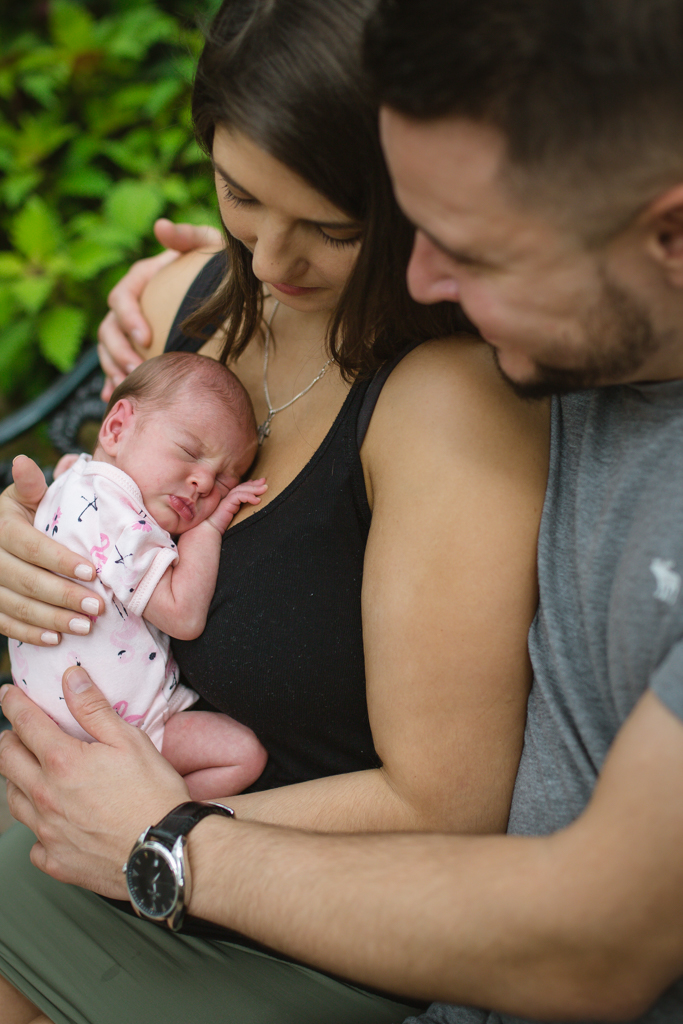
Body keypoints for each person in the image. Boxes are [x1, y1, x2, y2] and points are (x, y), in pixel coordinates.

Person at [0, 0, 549, 1022]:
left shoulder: (444, 404)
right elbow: (94, 495)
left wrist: (159, 825)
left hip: (300, 920)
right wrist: (22, 538)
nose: (267, 262)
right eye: (239, 195)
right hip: (94, 830)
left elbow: (449, 803)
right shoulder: (186, 302)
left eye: (331, 229)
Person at [10, 353, 268, 800]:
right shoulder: (123, 520)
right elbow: (183, 616)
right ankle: (153, 818)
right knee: (244, 755)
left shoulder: (73, 475)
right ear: (115, 428)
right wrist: (208, 529)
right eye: (190, 452)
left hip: (48, 732)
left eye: (227, 481)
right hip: (127, 728)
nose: (205, 484)